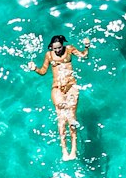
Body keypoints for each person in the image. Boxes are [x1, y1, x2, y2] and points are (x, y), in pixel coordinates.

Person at [31, 32, 91, 161]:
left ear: (63, 45)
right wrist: (34, 68)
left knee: (72, 118)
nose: (57, 50)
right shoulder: (49, 55)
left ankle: (73, 150)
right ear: (51, 47)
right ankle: (64, 150)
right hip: (57, 88)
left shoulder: (69, 49)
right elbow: (43, 71)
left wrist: (87, 47)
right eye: (55, 48)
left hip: (71, 87)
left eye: (59, 47)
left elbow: (84, 56)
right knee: (61, 118)